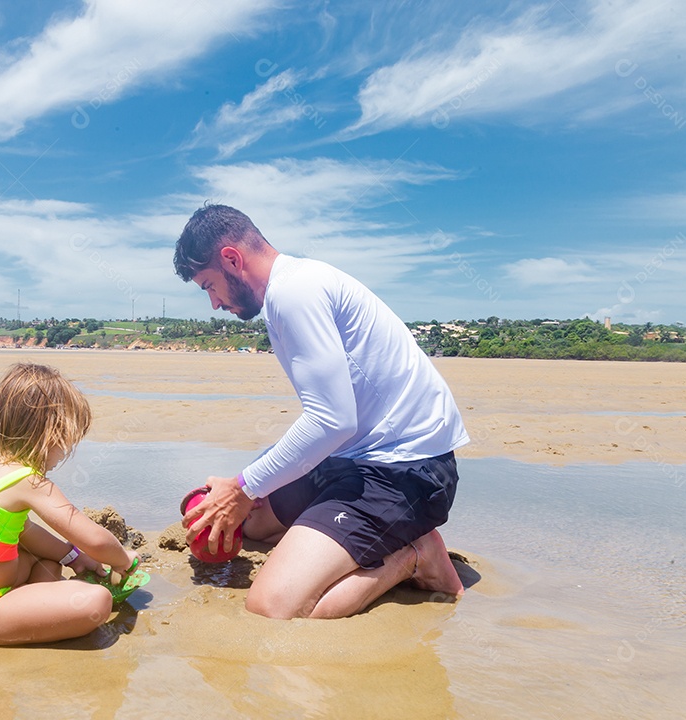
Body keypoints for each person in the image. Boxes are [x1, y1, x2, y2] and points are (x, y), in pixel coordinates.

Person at [174, 204, 470, 620]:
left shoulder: (294, 293)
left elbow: (332, 419)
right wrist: (244, 489)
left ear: (231, 259)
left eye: (209, 285)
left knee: (273, 607)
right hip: (351, 459)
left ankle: (414, 556)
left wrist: (242, 487)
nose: (214, 304)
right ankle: (337, 541)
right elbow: (334, 421)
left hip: (407, 472)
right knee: (250, 525)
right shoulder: (292, 287)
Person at [0, 362, 141, 645]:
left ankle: (33, 604)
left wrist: (73, 557)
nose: (63, 455)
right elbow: (95, 540)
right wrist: (122, 560)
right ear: (49, 435)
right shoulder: (27, 481)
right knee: (96, 601)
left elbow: (22, 531)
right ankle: (23, 614)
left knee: (48, 561)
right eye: (66, 443)